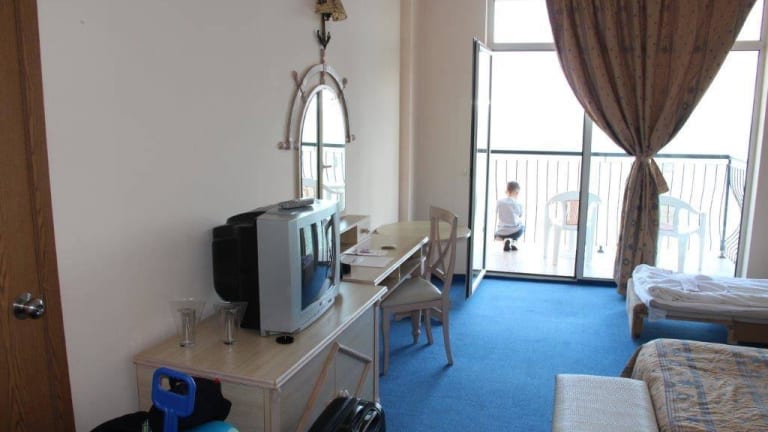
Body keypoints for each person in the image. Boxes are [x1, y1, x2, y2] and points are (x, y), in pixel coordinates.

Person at [495, 181, 525, 251]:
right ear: (517, 192)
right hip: (514, 232)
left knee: (505, 231)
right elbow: (520, 215)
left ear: (506, 191)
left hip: (501, 232)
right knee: (522, 227)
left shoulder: (499, 202)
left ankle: (506, 240)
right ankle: (514, 242)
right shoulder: (518, 203)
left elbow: (496, 211)